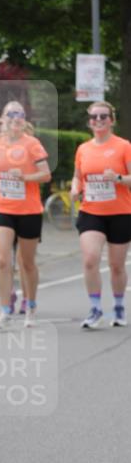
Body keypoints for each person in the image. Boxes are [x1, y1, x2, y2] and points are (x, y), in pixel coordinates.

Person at [0, 101, 51, 330]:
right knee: (2, 260)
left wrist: (24, 177)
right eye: (10, 114)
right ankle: (4, 311)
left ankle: (31, 306)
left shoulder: (32, 144)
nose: (14, 118)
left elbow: (45, 175)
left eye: (19, 114)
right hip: (4, 207)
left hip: (29, 210)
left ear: (24, 120)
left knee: (27, 262)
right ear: (2, 119)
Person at [71, 101, 131, 329]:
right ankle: (95, 309)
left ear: (111, 120)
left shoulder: (124, 146)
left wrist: (117, 178)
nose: (98, 120)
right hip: (91, 211)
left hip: (120, 212)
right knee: (90, 259)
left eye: (103, 116)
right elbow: (78, 176)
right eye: (94, 117)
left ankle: (118, 306)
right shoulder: (83, 149)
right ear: (89, 121)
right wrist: (75, 187)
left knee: (116, 265)